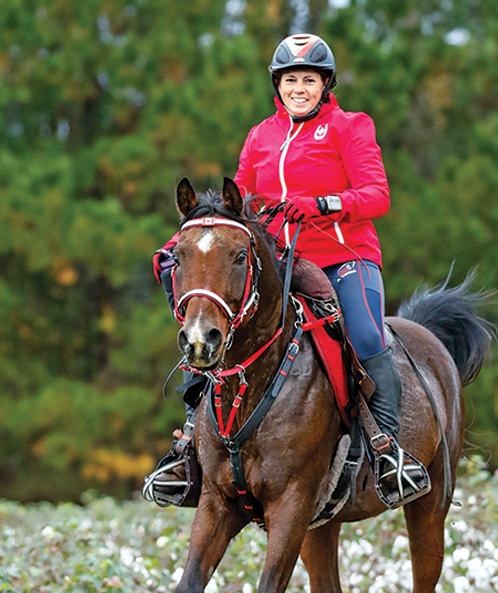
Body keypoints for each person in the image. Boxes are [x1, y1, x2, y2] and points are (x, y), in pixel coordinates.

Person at [143, 33, 430, 509]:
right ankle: (187, 450)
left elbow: (377, 196)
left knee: (364, 334)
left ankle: (388, 453)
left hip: (344, 258)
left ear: (325, 85)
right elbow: (236, 213)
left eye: (310, 80)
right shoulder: (261, 135)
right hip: (278, 262)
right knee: (215, 329)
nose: (300, 87)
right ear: (278, 85)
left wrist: (321, 203)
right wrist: (180, 246)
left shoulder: (350, 127)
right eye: (291, 79)